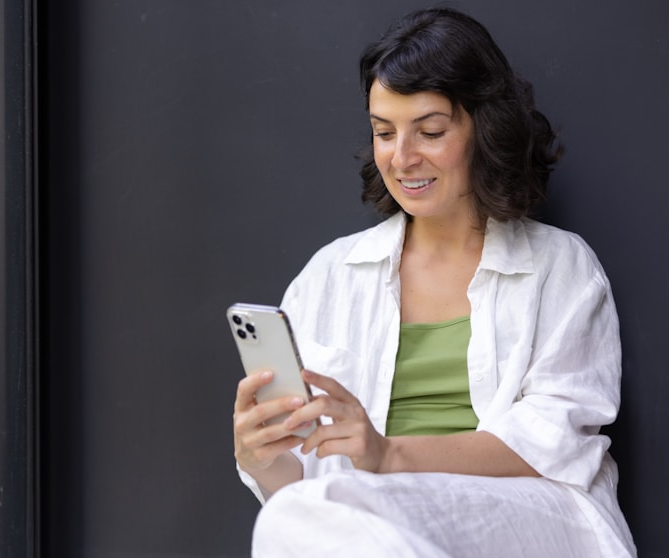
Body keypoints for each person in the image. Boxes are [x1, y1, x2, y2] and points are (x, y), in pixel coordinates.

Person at [232, 7, 636, 557]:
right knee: (295, 515)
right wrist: (263, 459)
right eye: (384, 132)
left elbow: (552, 443)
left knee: (330, 509)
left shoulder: (559, 266)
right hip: (372, 515)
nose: (402, 158)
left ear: (483, 129)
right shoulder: (329, 276)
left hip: (536, 515)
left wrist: (388, 455)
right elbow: (309, 489)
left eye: (430, 131)